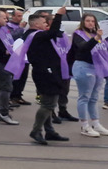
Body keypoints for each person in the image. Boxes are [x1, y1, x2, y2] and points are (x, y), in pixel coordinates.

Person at [21, 9, 72, 145]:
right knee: (48, 104)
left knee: (48, 104)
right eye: (44, 22)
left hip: (47, 71)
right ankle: (36, 130)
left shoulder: (36, 35)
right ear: (36, 24)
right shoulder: (35, 35)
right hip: (45, 73)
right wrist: (59, 16)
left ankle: (49, 131)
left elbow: (54, 34)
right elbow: (53, 32)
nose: (46, 25)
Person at [70, 14, 108, 137]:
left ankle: (96, 123)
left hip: (97, 67)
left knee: (94, 98)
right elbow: (83, 48)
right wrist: (96, 39)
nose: (90, 23)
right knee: (84, 97)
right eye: (88, 21)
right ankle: (84, 126)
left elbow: (105, 52)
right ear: (83, 22)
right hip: (84, 66)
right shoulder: (78, 34)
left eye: (93, 21)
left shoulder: (97, 34)